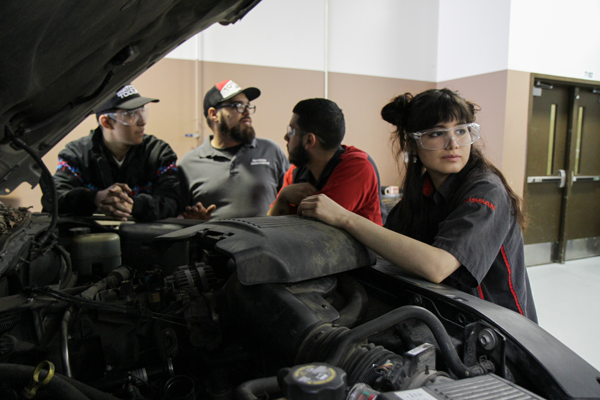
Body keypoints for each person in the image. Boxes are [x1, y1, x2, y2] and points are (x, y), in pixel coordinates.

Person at [297, 89, 537, 322]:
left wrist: (345, 217)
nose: (453, 143)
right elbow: (388, 250)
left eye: (461, 131)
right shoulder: (421, 192)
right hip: (449, 319)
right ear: (412, 143)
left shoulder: (486, 190)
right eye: (436, 133)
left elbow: (438, 266)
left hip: (500, 333)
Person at [41, 84, 181, 222]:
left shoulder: (159, 153)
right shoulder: (76, 155)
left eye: (142, 112)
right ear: (106, 122)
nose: (142, 122)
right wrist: (94, 199)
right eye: (131, 114)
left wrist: (134, 205)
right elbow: (54, 199)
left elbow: (173, 202)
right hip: (90, 238)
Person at [179, 80, 289, 220]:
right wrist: (194, 222)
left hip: (265, 242)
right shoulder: (188, 164)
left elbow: (289, 202)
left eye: (247, 106)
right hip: (214, 242)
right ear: (214, 114)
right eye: (238, 106)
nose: (247, 112)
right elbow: (179, 217)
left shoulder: (270, 151)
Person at [268, 98, 384, 225]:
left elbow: (317, 229)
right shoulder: (296, 171)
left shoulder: (358, 168)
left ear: (309, 140)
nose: (286, 137)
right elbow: (270, 224)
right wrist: (283, 197)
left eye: (291, 131)